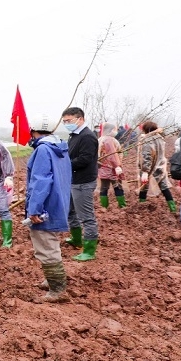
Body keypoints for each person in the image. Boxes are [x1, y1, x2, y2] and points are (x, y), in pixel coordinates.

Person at [24, 114, 73, 303]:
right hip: (58, 202)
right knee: (51, 242)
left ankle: (57, 289)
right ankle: (51, 279)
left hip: (46, 206)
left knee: (46, 245)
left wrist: (34, 209)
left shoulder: (43, 150)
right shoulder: (60, 147)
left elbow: (41, 181)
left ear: (33, 131)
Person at [61, 107, 100, 262]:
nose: (66, 124)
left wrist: (65, 164)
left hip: (83, 181)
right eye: (64, 121)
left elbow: (85, 159)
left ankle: (89, 250)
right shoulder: (74, 135)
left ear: (80, 119)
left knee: (86, 216)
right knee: (71, 211)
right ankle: (76, 239)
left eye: (68, 121)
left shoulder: (87, 137)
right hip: (73, 180)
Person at [137, 121, 177, 213]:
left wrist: (145, 171)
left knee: (144, 187)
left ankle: (141, 207)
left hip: (150, 168)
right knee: (164, 187)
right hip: (160, 166)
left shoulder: (148, 140)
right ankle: (173, 209)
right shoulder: (160, 138)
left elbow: (147, 156)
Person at [97, 121, 126, 209]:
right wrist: (117, 166)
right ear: (111, 130)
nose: (116, 131)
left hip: (102, 167)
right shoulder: (109, 140)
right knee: (117, 186)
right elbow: (112, 154)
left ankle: (104, 207)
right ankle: (122, 206)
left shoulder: (100, 139)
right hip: (112, 168)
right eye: (115, 129)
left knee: (104, 187)